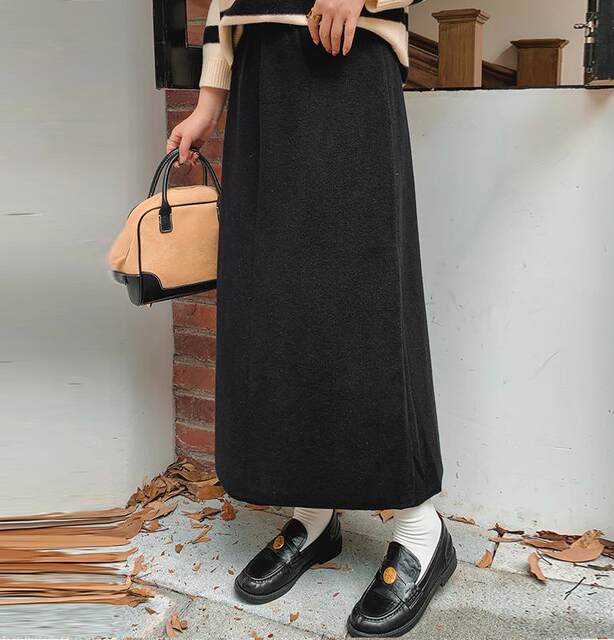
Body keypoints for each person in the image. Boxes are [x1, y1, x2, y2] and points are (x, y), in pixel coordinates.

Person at [167, 0, 456, 635]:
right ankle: (315, 513)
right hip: (260, 76)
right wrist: (210, 101)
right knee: (277, 305)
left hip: (349, 56)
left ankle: (420, 527)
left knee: (367, 298)